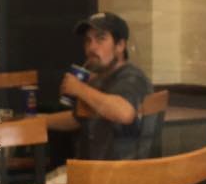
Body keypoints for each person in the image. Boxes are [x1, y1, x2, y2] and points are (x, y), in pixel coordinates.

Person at [46, 11, 153, 160]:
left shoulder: (132, 77)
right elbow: (78, 119)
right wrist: (39, 122)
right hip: (93, 168)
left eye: (100, 39)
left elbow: (124, 113)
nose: (92, 47)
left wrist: (80, 89)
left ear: (120, 45)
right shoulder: (102, 78)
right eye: (88, 40)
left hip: (115, 172)